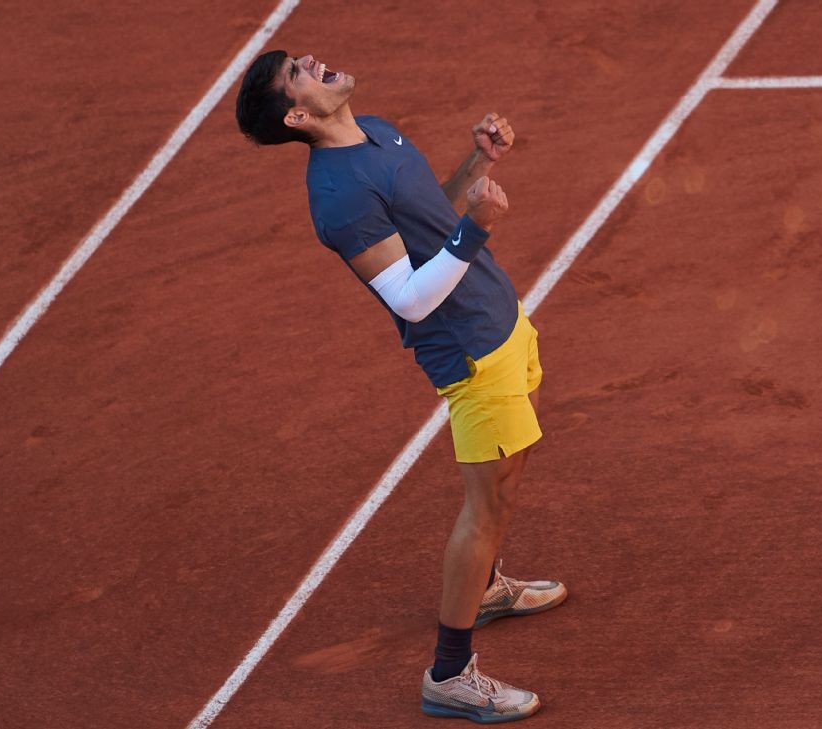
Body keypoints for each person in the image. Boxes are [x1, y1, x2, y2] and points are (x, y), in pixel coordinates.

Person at [234, 50, 566, 723]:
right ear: (297, 115)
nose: (312, 62)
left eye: (301, 57)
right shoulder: (338, 197)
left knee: (509, 476)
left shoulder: (378, 131)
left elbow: (425, 221)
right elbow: (411, 298)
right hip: (468, 350)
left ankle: (488, 588)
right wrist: (477, 228)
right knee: (489, 503)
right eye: (296, 73)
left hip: (499, 316)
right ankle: (449, 674)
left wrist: (476, 164)